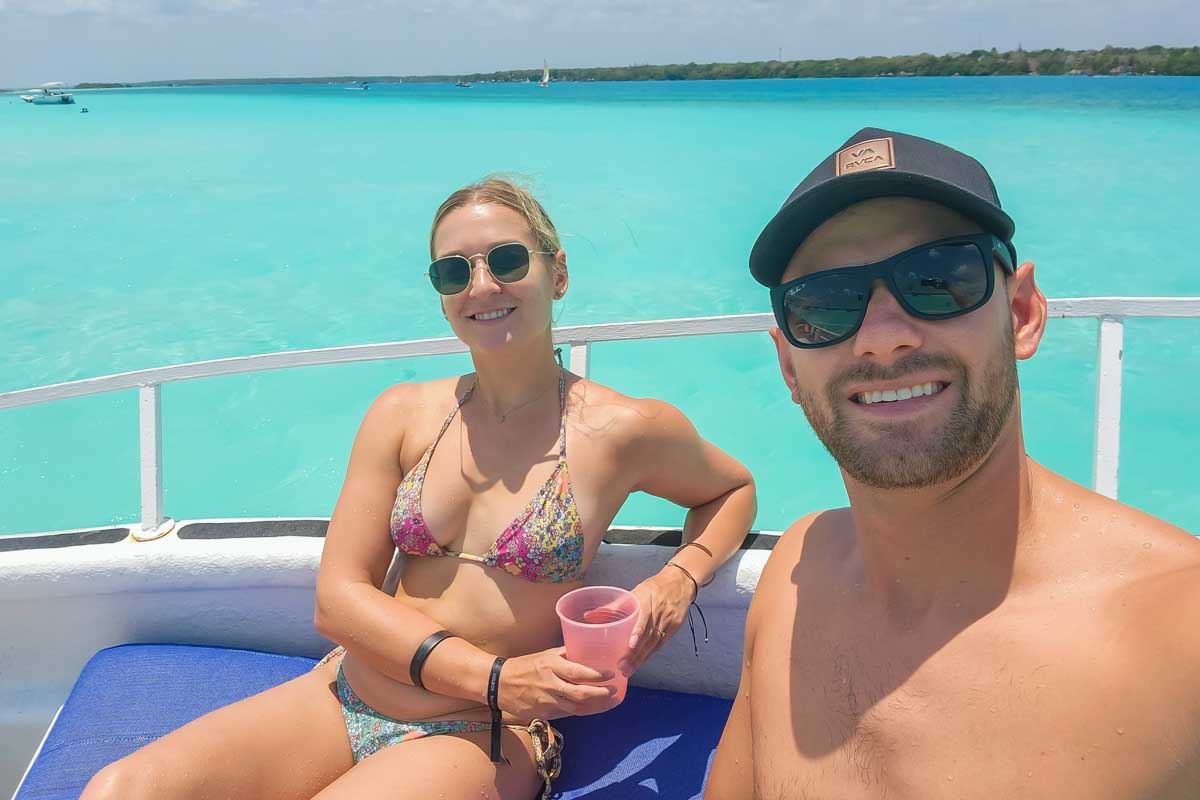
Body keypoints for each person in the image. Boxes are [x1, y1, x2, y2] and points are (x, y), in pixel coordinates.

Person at [82, 177, 756, 800]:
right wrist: (495, 675)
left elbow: (731, 490)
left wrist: (678, 580)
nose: (481, 286)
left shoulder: (622, 430)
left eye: (507, 261)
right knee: (121, 790)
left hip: (486, 731)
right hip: (347, 689)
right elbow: (338, 599)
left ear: (558, 273)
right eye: (454, 271)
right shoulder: (402, 415)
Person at [706, 128, 1200, 799]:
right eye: (825, 304)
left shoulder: (1176, 637)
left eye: (937, 279)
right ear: (790, 367)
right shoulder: (796, 573)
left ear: (1021, 313)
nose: (882, 337)